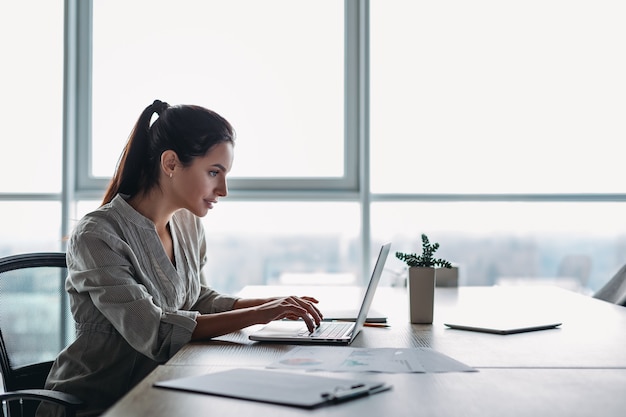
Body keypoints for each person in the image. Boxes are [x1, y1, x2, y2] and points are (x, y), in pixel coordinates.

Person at [38, 100, 323, 416]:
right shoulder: (98, 235)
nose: (223, 189)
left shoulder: (188, 223)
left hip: (164, 391)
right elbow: (156, 333)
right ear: (171, 163)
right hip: (99, 404)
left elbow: (199, 298)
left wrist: (272, 305)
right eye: (214, 172)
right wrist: (258, 315)